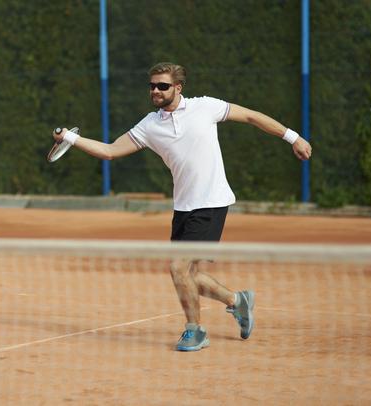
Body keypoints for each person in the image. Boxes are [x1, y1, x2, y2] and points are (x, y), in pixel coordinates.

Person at [53, 62, 312, 351]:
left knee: (177, 267)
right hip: (184, 206)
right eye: (152, 85)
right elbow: (110, 151)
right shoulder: (149, 125)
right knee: (188, 275)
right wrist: (71, 138)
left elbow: (251, 116)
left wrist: (293, 137)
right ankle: (237, 301)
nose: (156, 91)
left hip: (212, 202)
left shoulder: (206, 107)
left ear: (178, 88)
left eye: (162, 86)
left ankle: (195, 331)